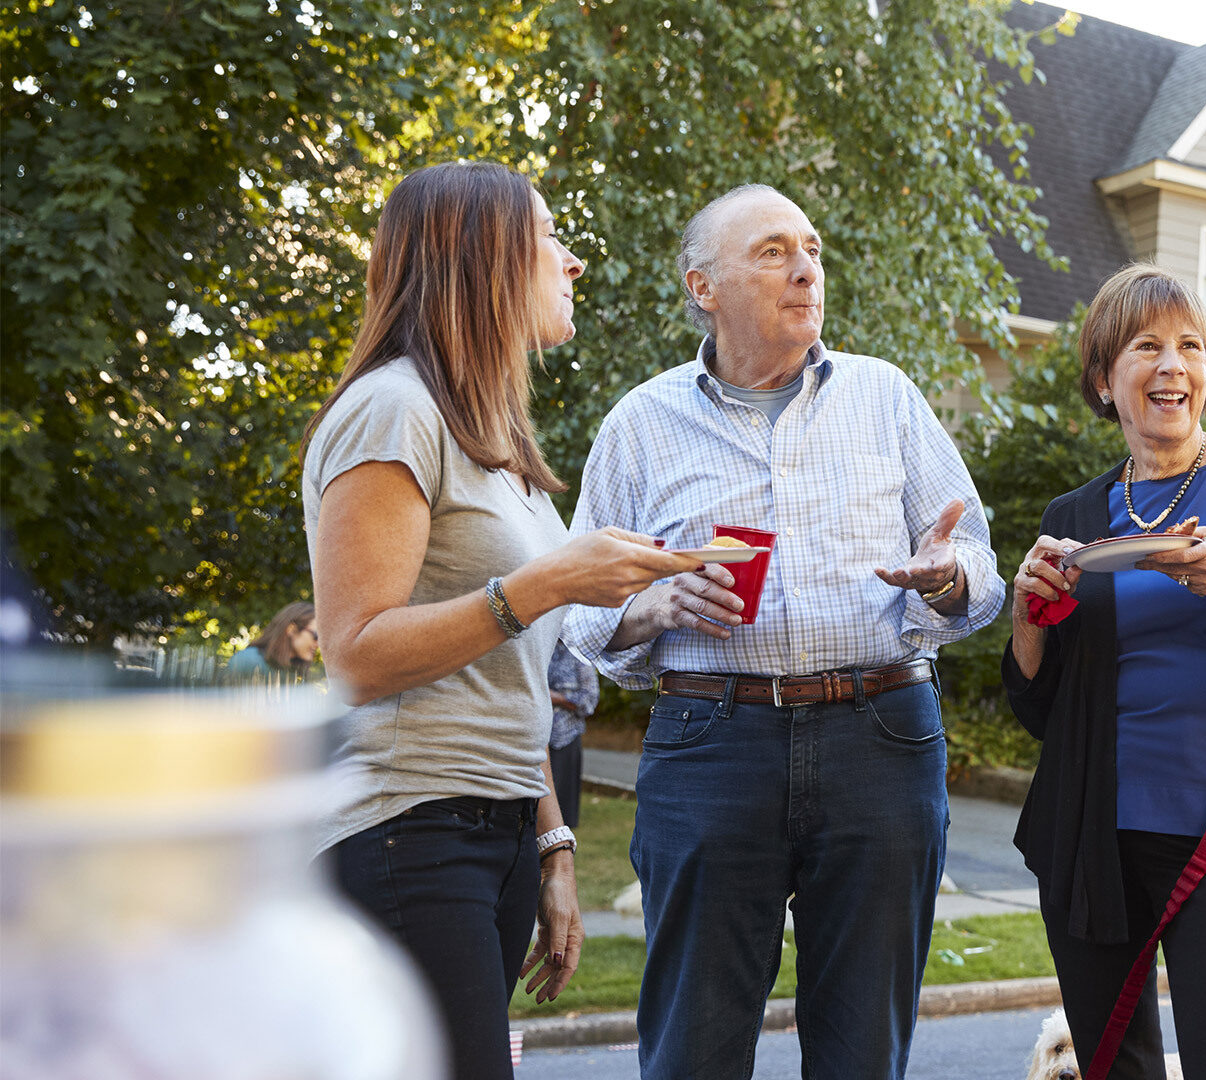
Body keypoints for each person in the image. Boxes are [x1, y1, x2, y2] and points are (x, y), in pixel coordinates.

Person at [563, 183, 1004, 1080]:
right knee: (693, 1046)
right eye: (772, 251)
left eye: (811, 249)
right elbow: (576, 611)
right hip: (710, 743)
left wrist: (950, 576)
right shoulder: (641, 425)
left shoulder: (887, 397)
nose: (806, 268)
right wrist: (655, 606)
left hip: (880, 736)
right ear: (703, 286)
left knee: (862, 1052)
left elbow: (982, 566)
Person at [301, 161, 700, 1080]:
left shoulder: (496, 446)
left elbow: (509, 678)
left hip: (496, 831)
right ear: (482, 259)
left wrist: (553, 843)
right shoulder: (392, 412)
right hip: (406, 829)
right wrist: (549, 582)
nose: (572, 262)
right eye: (551, 237)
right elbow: (357, 653)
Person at [1006, 264, 1206, 1080]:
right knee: (1117, 1067)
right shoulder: (1075, 520)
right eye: (1146, 347)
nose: (1172, 366)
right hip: (1092, 837)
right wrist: (1027, 614)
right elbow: (1039, 706)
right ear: (1104, 381)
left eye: (1190, 346)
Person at [546, 638, 599, 828]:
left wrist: (558, 698)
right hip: (537, 738)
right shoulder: (544, 649)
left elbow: (589, 701)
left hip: (565, 738)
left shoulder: (580, 656)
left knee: (562, 804)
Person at [226, 600, 320, 682]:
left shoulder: (295, 673)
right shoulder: (247, 660)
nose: (318, 644)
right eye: (316, 636)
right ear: (291, 629)